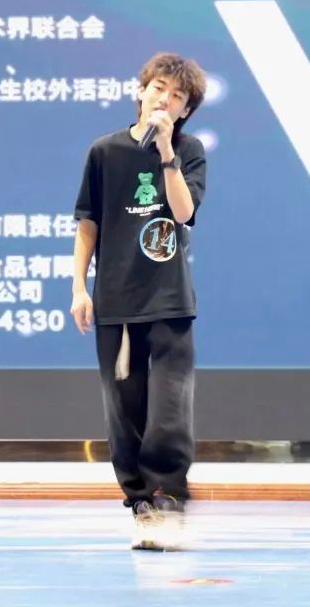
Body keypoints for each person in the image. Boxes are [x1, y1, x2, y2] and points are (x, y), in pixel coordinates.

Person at [71, 52, 208, 550]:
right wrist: (78, 287)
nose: (165, 100)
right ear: (141, 90)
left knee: (169, 406)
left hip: (169, 298)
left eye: (177, 96)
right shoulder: (104, 152)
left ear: (185, 110)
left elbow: (183, 212)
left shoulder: (189, 150)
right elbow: (88, 223)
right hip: (116, 299)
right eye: (159, 88)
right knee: (124, 410)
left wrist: (167, 153)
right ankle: (141, 504)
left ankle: (169, 498)